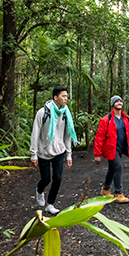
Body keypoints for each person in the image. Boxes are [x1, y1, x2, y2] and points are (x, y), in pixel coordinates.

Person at [31, 85, 77, 215]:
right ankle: (40, 190)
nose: (66, 99)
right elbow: (35, 134)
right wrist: (33, 154)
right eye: (63, 96)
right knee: (46, 179)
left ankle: (50, 204)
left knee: (57, 178)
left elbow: (67, 134)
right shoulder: (42, 113)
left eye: (67, 96)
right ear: (55, 97)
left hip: (59, 151)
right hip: (44, 152)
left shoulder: (65, 113)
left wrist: (69, 154)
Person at [93, 95, 129, 203]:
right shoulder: (106, 120)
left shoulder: (126, 119)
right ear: (112, 104)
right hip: (110, 149)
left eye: (120, 101)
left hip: (120, 148)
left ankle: (105, 190)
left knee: (112, 169)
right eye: (117, 101)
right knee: (118, 167)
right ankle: (118, 193)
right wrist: (97, 154)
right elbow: (99, 137)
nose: (119, 102)